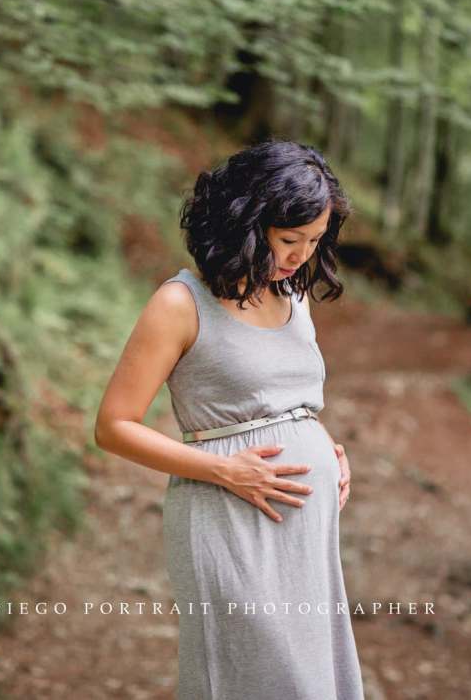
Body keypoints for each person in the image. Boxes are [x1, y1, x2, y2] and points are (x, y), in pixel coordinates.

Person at [93, 139, 364, 699]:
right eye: (290, 240)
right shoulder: (180, 303)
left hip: (305, 530)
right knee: (250, 675)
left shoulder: (292, 294)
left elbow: (288, 399)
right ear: (248, 220)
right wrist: (225, 471)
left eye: (314, 241)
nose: (301, 256)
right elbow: (114, 425)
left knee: (308, 677)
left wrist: (325, 445)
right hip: (226, 515)